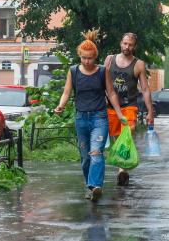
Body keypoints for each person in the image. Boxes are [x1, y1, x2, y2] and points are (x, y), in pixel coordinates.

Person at [55, 30, 126, 202]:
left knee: (96, 153)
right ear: (79, 55)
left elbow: (111, 92)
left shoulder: (102, 71)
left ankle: (96, 186)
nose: (87, 61)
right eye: (83, 58)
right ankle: (90, 186)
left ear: (95, 57)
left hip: (99, 118)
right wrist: (61, 106)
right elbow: (66, 92)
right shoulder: (73, 71)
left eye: (90, 58)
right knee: (85, 157)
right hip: (81, 119)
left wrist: (119, 113)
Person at [104, 32, 155, 186]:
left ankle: (121, 170)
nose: (127, 47)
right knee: (115, 137)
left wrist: (150, 112)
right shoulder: (109, 59)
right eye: (125, 43)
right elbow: (101, 80)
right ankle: (121, 164)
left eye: (130, 45)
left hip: (129, 106)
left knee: (128, 133)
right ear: (121, 43)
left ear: (135, 46)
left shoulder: (138, 64)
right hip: (111, 106)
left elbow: (145, 89)